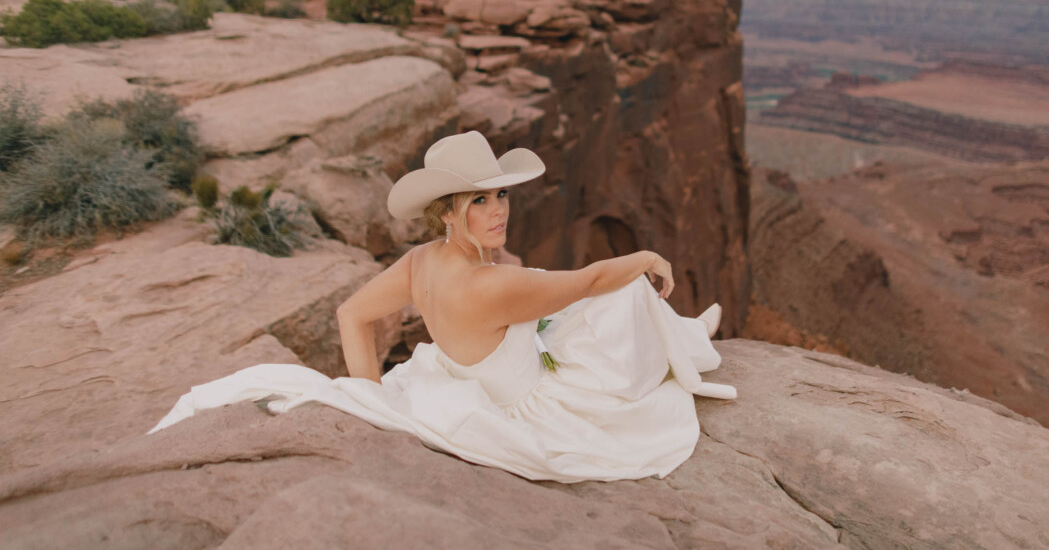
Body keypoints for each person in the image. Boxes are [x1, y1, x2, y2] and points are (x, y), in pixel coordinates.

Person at [149, 131, 736, 483]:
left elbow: (351, 315)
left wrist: (373, 398)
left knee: (570, 294)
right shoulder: (488, 287)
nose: (499, 210)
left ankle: (682, 334)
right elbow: (588, 279)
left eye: (500, 194)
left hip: (464, 375)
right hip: (526, 406)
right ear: (448, 213)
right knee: (623, 288)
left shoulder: (423, 261)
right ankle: (685, 341)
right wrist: (648, 255)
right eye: (479, 200)